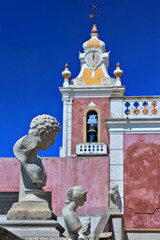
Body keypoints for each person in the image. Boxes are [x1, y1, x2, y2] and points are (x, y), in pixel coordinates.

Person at [13, 114, 60, 200]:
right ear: (41, 133)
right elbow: (24, 143)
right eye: (52, 138)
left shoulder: (38, 160)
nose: (52, 143)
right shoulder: (22, 151)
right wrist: (34, 136)